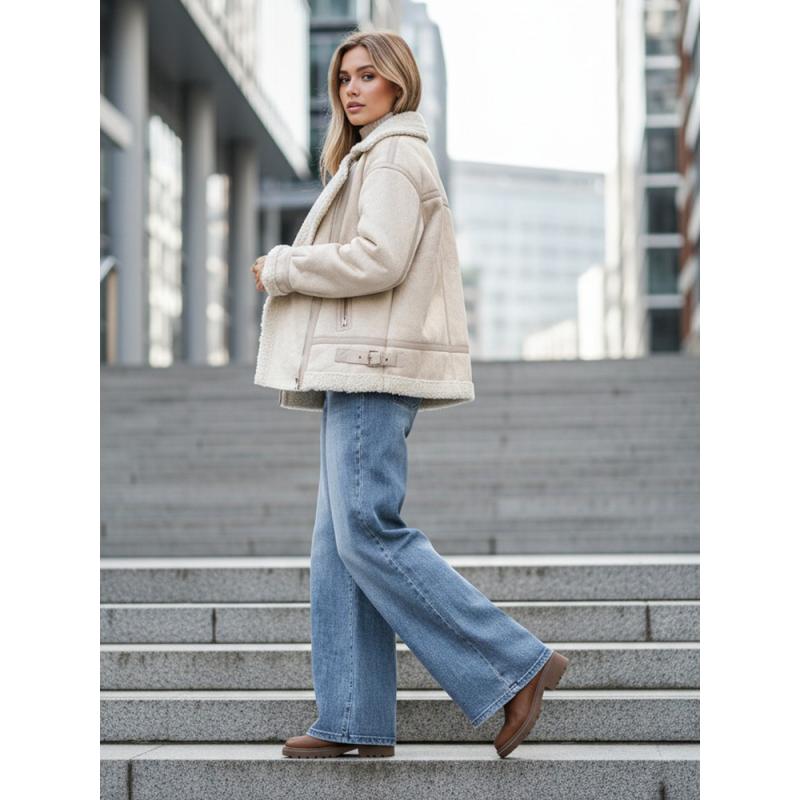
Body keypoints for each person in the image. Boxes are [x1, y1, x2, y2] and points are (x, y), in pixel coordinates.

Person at [250, 30, 567, 760]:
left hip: (371, 367)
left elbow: (379, 258)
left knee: (366, 531)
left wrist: (287, 267)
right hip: (356, 368)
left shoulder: (392, 156)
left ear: (399, 83)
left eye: (368, 76)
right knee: (338, 549)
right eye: (344, 79)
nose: (352, 90)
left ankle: (517, 664)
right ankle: (352, 718)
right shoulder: (373, 157)